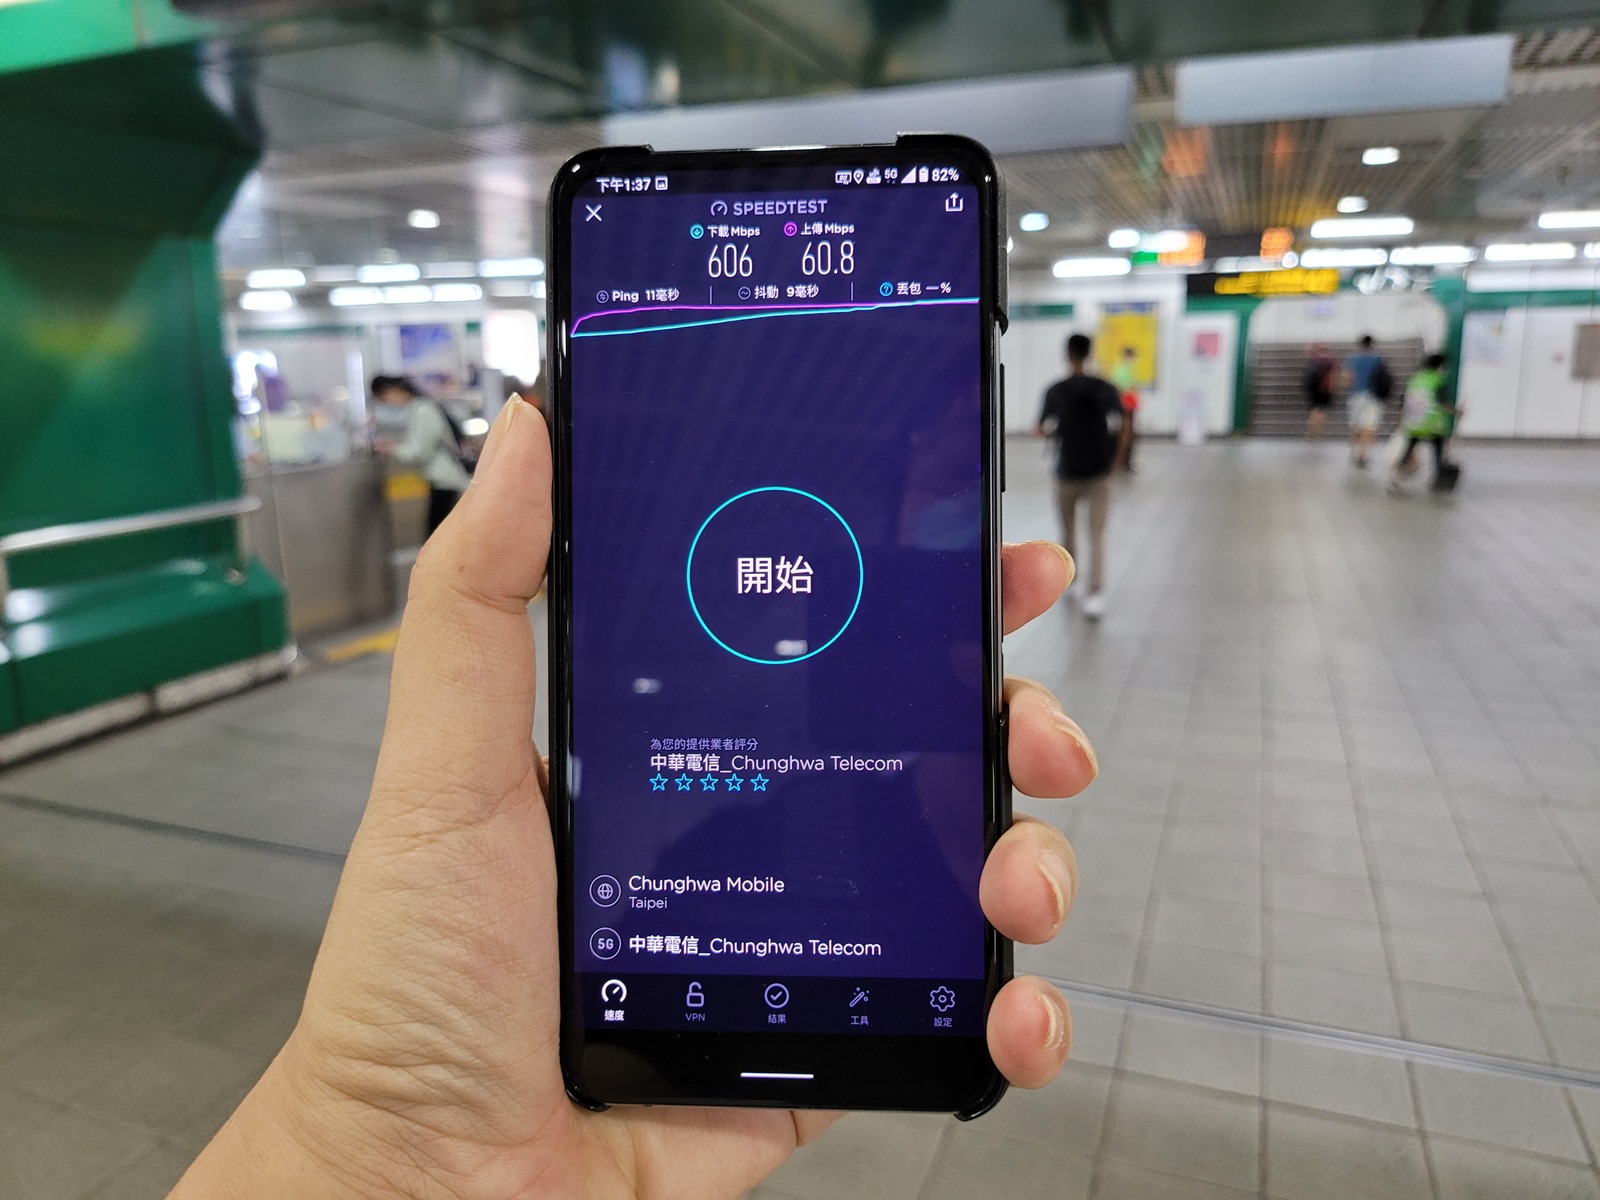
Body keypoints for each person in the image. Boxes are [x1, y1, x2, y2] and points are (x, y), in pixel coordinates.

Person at [168, 397, 1095, 1200]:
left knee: (933, 852)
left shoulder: (733, 841)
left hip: (793, 881)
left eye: (953, 479)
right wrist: (392, 1147)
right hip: (617, 1012)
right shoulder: (709, 854)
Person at [1035, 333, 1130, 620]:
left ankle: (1071, 580)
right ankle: (1095, 593)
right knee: (1097, 535)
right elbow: (1124, 422)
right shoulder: (1105, 388)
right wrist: (1117, 459)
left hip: (1067, 472)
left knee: (1068, 531)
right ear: (1089, 354)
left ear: (1067, 354)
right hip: (1100, 473)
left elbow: (1040, 428)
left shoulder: (1056, 390)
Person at [373, 374, 473, 536]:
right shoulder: (419, 409)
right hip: (441, 482)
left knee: (438, 537)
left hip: (447, 482)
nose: (387, 404)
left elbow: (420, 451)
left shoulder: (424, 411)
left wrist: (392, 448)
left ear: (393, 391)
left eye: (384, 398)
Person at [1389, 353, 1458, 494]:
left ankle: (1395, 477)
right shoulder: (1437, 380)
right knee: (1438, 452)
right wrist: (1457, 412)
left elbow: (1405, 399)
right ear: (1440, 365)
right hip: (1433, 424)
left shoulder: (1416, 378)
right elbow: (1441, 402)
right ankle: (1438, 481)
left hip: (1415, 422)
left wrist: (1401, 418)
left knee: (1408, 450)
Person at [1343, 335, 1388, 468]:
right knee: (1369, 425)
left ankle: (1354, 452)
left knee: (1355, 425)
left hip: (1356, 394)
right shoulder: (1378, 358)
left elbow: (1347, 377)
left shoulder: (1353, 358)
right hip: (1373, 396)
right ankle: (1364, 453)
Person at [1109, 345, 1139, 473]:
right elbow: (1122, 388)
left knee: (1127, 433)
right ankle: (1121, 461)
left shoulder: (1124, 369)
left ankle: (1124, 461)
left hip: (1127, 405)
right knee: (1126, 434)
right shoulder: (1122, 369)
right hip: (1126, 405)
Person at [1302, 343, 1335, 439]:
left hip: (1313, 389)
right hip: (1324, 389)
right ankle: (1315, 433)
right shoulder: (1328, 360)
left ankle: (1310, 432)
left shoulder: (1314, 360)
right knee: (1320, 411)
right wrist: (1331, 387)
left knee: (1314, 410)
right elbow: (1331, 375)